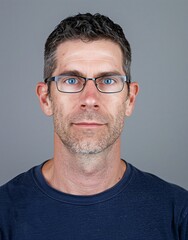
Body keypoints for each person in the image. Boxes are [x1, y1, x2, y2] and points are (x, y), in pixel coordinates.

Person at [0, 13, 187, 240]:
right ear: (45, 98)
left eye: (108, 80)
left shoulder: (178, 214)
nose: (90, 98)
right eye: (71, 80)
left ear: (130, 99)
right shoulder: (5, 214)